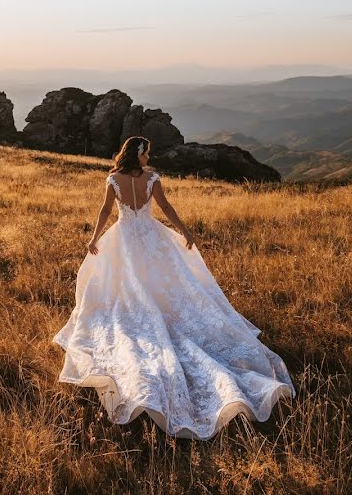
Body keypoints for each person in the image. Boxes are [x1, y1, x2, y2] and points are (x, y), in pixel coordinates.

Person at [52, 136, 296, 439]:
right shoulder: (153, 177)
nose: (147, 158)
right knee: (164, 280)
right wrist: (184, 231)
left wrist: (94, 238)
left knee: (128, 285)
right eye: (147, 153)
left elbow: (104, 212)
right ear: (140, 154)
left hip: (125, 237)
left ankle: (141, 311)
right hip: (151, 236)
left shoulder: (113, 179)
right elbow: (165, 207)